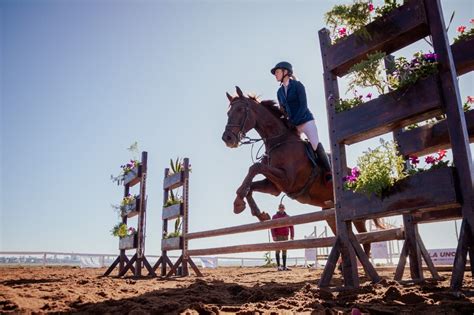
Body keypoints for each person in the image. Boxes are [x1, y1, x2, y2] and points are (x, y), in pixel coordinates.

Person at [271, 61, 331, 174]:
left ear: (286, 72)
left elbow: (303, 106)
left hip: (306, 120)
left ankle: (329, 172)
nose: (276, 74)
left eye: (277, 72)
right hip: (293, 125)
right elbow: (282, 110)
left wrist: (294, 121)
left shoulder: (298, 86)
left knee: (314, 144)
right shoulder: (279, 92)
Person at [270, 203, 294, 271]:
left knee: (285, 251)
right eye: (280, 207)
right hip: (278, 236)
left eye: (282, 207)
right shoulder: (274, 216)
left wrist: (292, 236)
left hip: (286, 236)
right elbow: (272, 227)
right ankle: (278, 266)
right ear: (278, 208)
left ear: (284, 208)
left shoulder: (287, 216)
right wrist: (273, 236)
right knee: (277, 251)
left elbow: (291, 227)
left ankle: (284, 266)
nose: (281, 208)